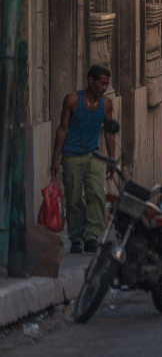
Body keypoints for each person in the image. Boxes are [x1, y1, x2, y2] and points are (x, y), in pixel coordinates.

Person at [49, 65, 116, 254]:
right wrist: (56, 159)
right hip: (71, 155)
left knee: (96, 193)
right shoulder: (72, 100)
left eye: (106, 84)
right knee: (73, 198)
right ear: (91, 80)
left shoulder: (107, 104)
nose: (104, 87)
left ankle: (92, 236)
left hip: (93, 154)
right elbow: (62, 129)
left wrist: (111, 159)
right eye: (101, 83)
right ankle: (76, 238)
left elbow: (109, 134)